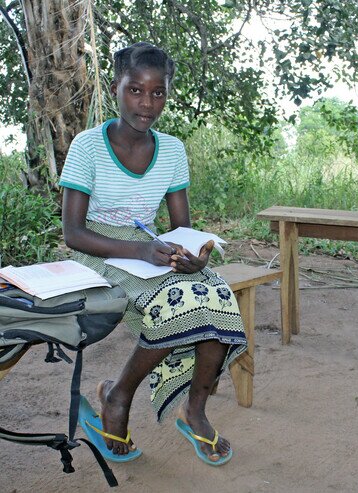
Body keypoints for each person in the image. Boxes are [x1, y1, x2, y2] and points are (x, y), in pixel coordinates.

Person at [59, 42, 247, 465]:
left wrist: (196, 255)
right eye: (136, 91)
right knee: (175, 305)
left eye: (157, 92)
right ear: (116, 88)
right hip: (100, 249)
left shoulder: (173, 150)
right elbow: (73, 232)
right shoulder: (88, 146)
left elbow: (183, 226)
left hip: (149, 247)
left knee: (217, 298)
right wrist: (141, 250)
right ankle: (118, 396)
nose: (147, 103)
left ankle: (194, 409)